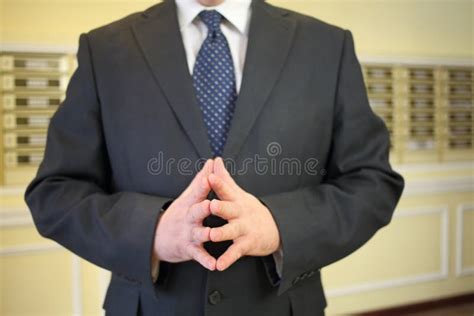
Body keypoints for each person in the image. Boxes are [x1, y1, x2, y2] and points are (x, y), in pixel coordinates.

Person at [24, 0, 405, 315]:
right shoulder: (105, 49)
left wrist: (280, 226)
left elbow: (372, 182)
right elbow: (56, 192)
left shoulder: (326, 46)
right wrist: (150, 233)